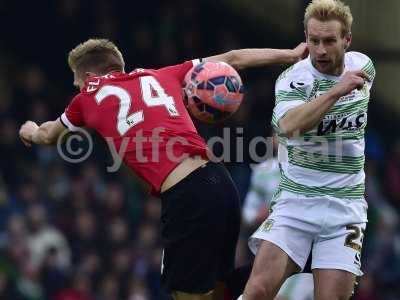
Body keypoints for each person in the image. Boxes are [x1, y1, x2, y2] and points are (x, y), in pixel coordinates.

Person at [19, 38, 307, 300]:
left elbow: (48, 136)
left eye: (77, 83)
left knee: (185, 294)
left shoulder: (87, 96)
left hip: (187, 195)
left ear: (90, 77)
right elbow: (232, 58)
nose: (78, 90)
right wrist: (290, 54)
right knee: (219, 289)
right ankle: (291, 261)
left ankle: (289, 261)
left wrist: (29, 129)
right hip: (221, 183)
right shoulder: (160, 74)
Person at [242, 0, 376, 299]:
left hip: (346, 207)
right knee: (258, 291)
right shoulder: (292, 79)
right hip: (296, 202)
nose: (320, 50)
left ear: (347, 40)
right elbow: (289, 127)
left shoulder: (364, 66)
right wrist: (336, 91)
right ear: (306, 37)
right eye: (313, 40)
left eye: (329, 41)